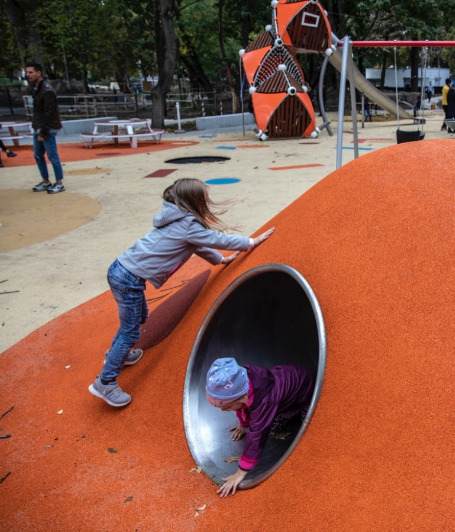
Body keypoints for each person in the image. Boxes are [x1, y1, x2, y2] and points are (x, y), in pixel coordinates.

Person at [88, 178, 276, 407]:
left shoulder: (177, 218)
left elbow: (200, 246)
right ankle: (105, 382)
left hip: (121, 269)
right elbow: (217, 239)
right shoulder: (188, 225)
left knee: (136, 320)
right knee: (130, 331)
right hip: (129, 278)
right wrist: (250, 242)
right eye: (204, 199)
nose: (207, 202)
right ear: (194, 201)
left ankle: (119, 353)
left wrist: (220, 260)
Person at [206, 358, 316, 497]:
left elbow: (257, 435)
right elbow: (241, 408)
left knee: (311, 425)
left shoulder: (265, 401)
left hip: (307, 393)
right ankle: (289, 412)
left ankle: (298, 412)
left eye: (227, 407)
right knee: (270, 424)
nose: (223, 411)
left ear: (242, 397)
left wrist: (240, 472)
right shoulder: (244, 381)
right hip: (286, 396)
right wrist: (244, 425)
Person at [25, 62, 65, 194]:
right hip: (38, 126)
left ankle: (59, 182)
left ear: (38, 73)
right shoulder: (36, 88)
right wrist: (36, 127)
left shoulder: (46, 90)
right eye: (27, 72)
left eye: (31, 72)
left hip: (47, 128)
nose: (28, 75)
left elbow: (49, 113)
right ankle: (46, 181)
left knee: (52, 155)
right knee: (37, 155)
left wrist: (43, 131)